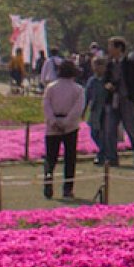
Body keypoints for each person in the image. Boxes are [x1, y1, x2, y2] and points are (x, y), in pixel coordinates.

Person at [42, 57, 89, 198]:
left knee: (51, 157)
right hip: (71, 126)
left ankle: (48, 181)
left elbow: (46, 105)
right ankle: (67, 188)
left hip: (53, 126)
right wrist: (66, 122)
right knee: (69, 158)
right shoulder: (78, 89)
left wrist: (53, 121)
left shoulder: (50, 87)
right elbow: (78, 109)